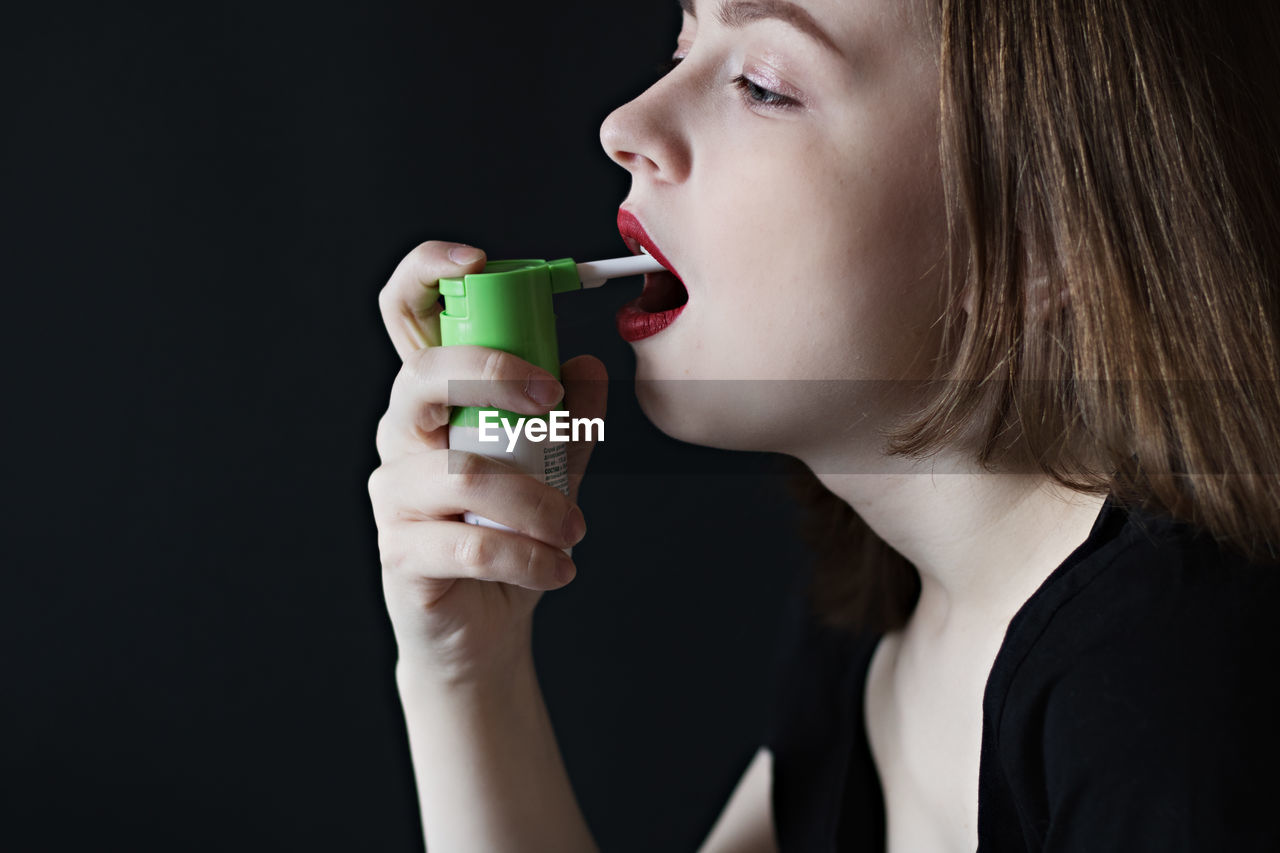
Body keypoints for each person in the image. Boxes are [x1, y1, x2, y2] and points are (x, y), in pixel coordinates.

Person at [367, 0, 1280, 849]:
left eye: (763, 83)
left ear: (1044, 231)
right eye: (684, 43)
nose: (625, 126)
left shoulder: (1174, 707)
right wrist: (467, 666)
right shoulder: (879, 618)